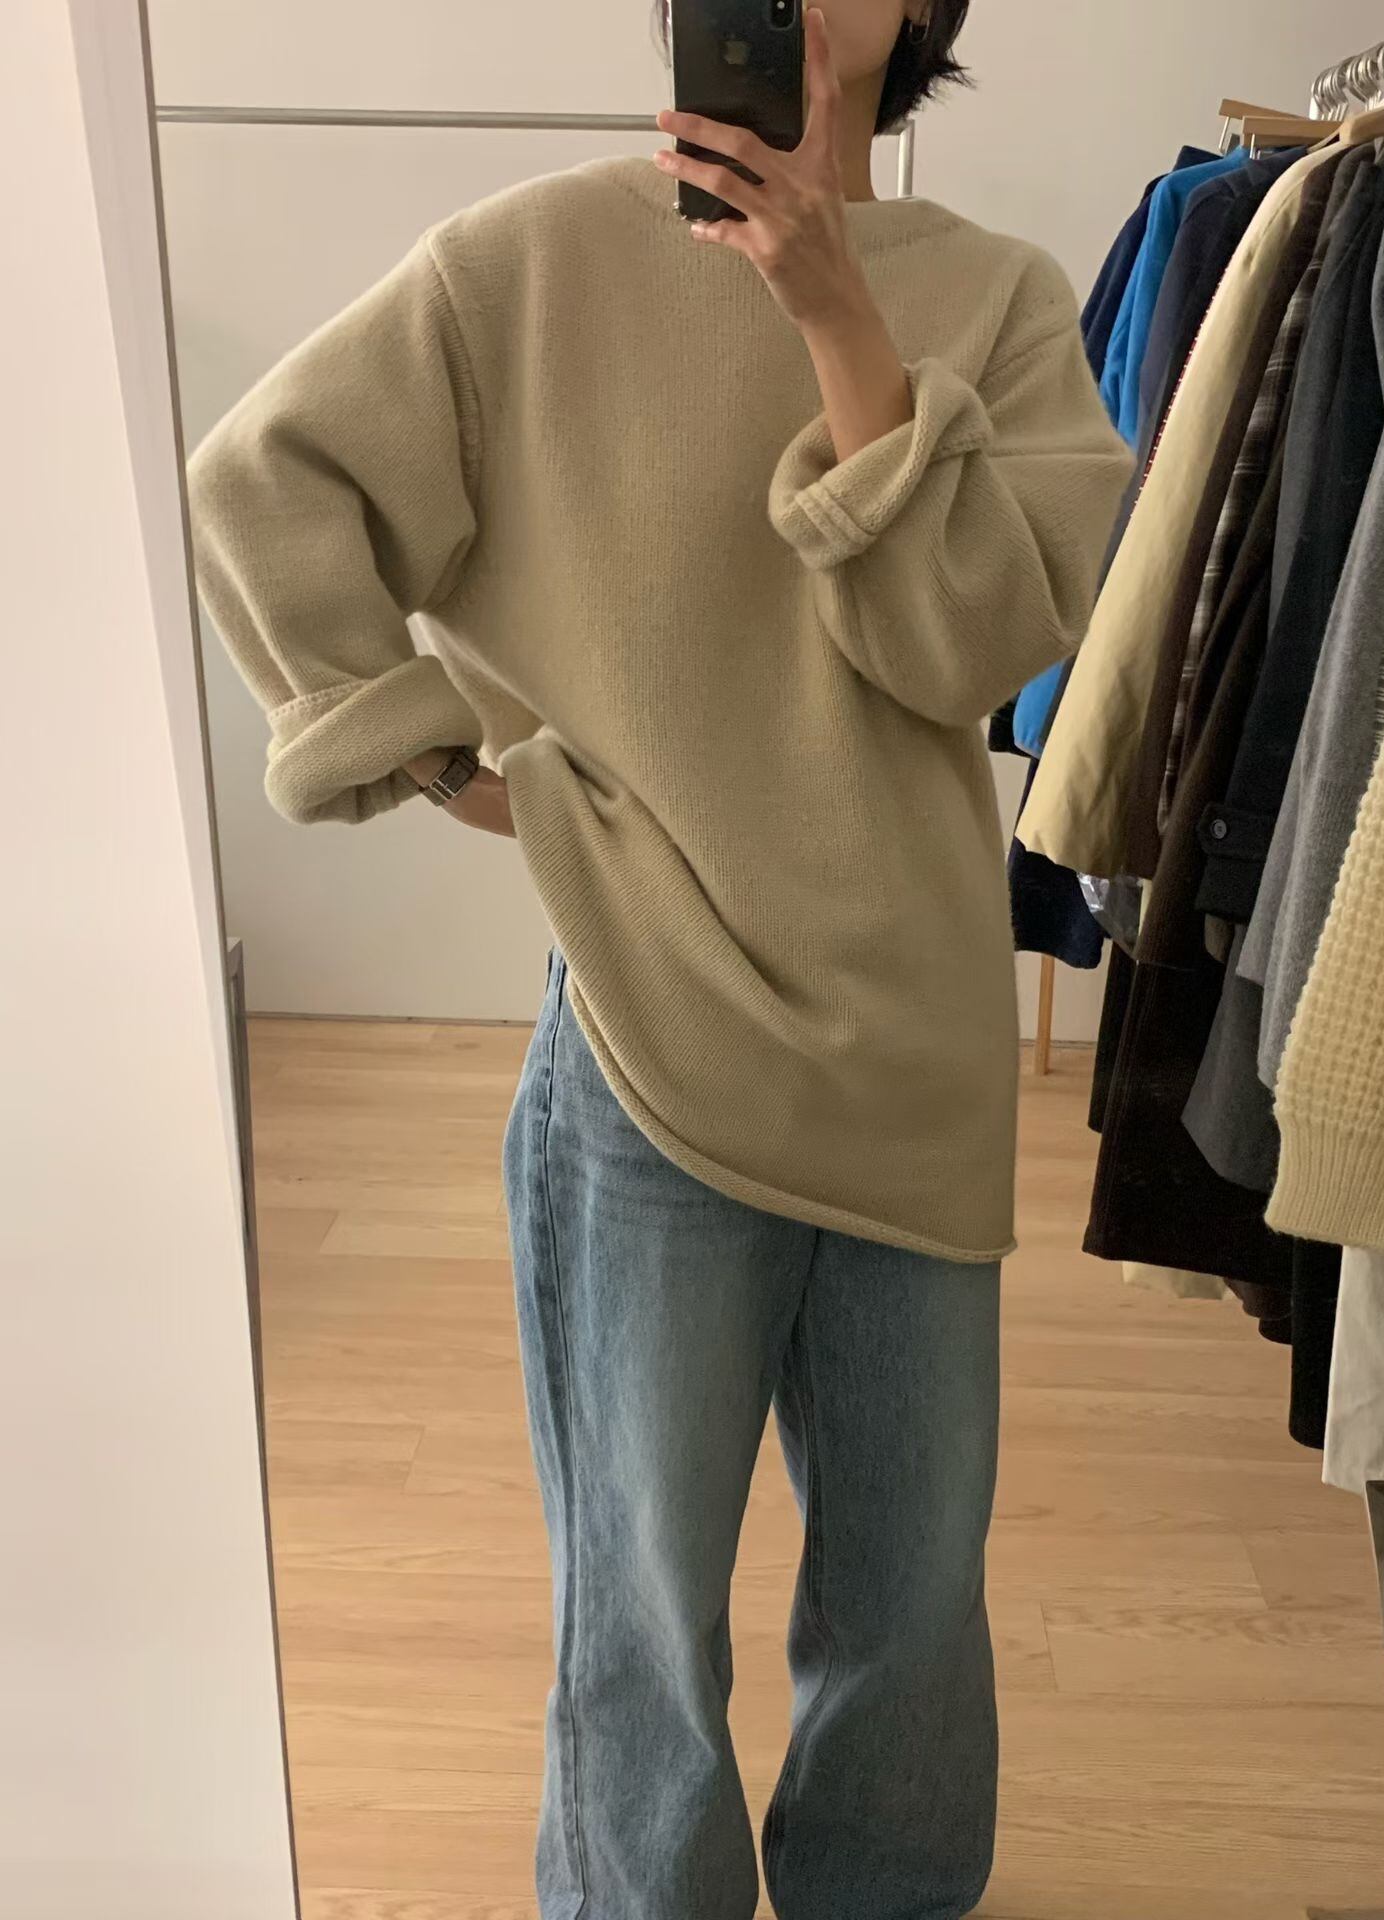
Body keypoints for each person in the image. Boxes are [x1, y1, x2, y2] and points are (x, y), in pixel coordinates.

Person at [188, 3, 1129, 1914]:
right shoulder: (526, 268)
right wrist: (448, 765)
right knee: (640, 1622)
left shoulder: (1008, 304)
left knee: (912, 1617)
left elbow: (970, 655)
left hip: (917, 1061)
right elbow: (264, 481)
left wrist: (841, 322)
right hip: (647, 1053)